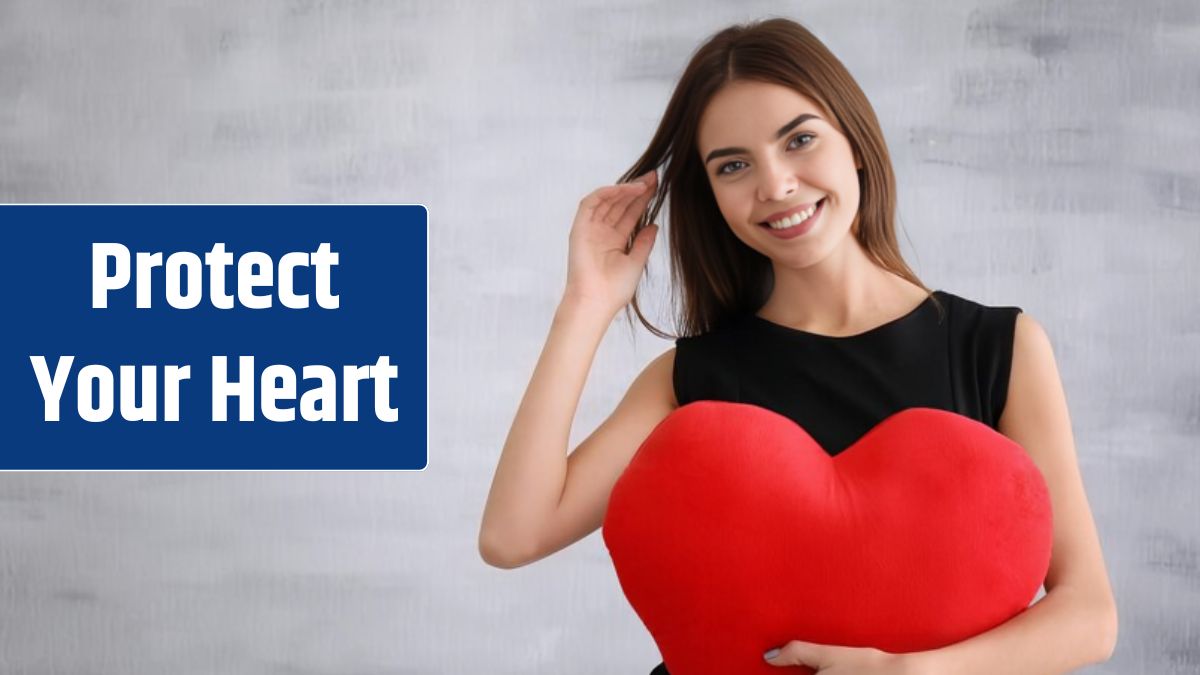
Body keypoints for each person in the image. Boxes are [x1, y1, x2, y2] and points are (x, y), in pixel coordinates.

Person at [479, 17, 1118, 674]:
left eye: (800, 140)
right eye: (734, 165)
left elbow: (1088, 614)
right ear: (713, 197)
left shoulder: (998, 347)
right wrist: (585, 306)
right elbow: (512, 536)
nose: (776, 184)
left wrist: (908, 671)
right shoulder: (691, 375)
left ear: (856, 144)